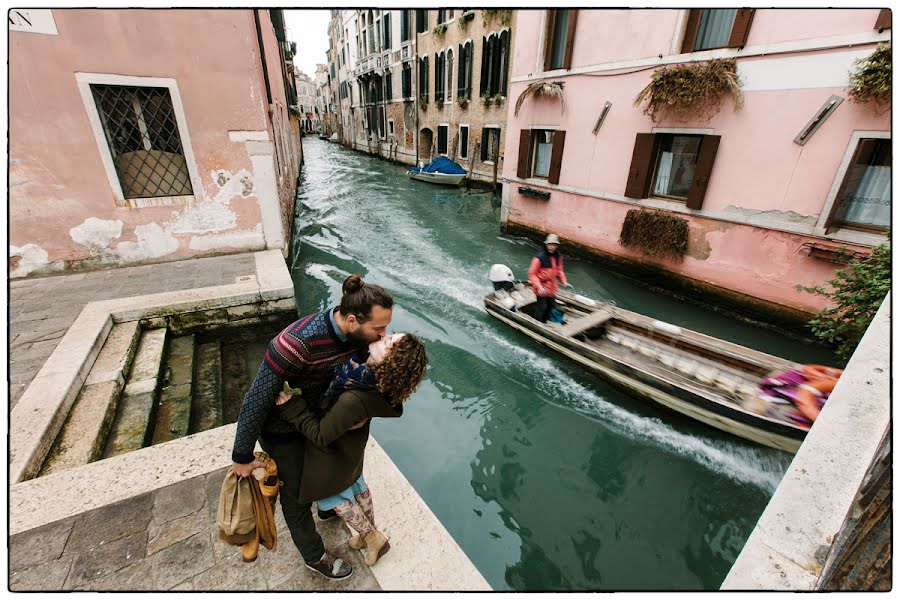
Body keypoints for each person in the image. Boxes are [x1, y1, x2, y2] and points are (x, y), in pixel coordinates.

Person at [230, 274, 393, 580]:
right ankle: (314, 556)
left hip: (314, 420)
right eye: (380, 329)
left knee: (324, 469)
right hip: (282, 429)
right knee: (297, 496)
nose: (384, 335)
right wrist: (241, 454)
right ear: (354, 321)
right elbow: (258, 396)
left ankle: (327, 507)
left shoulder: (360, 340)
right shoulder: (296, 344)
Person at [275, 332, 428, 567]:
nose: (384, 335)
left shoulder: (353, 396)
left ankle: (373, 538)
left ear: (389, 361)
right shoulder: (379, 386)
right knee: (358, 487)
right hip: (350, 453)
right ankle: (368, 534)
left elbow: (321, 435)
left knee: (337, 498)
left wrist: (292, 407)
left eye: (388, 342)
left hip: (331, 457)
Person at [527, 233, 570, 323]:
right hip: (541, 286)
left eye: (554, 245)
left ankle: (545, 321)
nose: (551, 247)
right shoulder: (539, 257)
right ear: (546, 245)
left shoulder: (558, 256)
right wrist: (539, 287)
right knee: (542, 307)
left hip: (552, 287)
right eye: (550, 244)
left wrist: (564, 281)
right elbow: (532, 274)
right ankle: (537, 323)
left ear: (557, 246)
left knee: (551, 305)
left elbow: (559, 270)